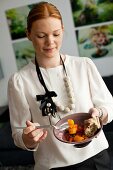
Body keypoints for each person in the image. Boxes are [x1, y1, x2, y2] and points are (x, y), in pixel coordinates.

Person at [8, 1, 113, 170]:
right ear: (28, 34)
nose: (50, 42)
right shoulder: (19, 81)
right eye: (41, 36)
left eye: (56, 34)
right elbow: (18, 133)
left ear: (63, 30)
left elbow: (109, 105)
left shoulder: (84, 65)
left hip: (96, 159)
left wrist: (99, 112)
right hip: (53, 165)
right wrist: (28, 138)